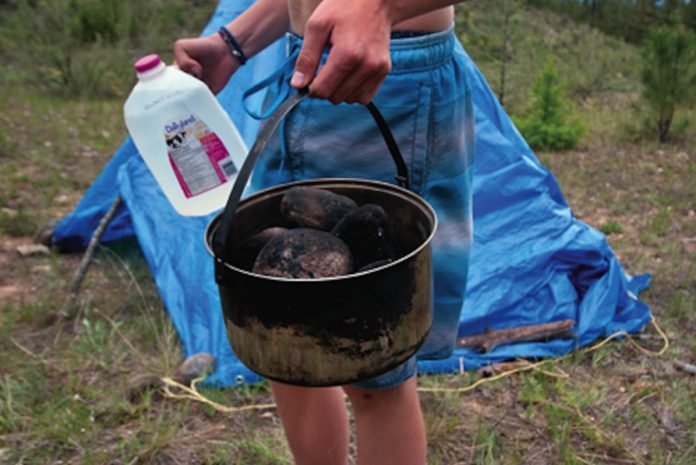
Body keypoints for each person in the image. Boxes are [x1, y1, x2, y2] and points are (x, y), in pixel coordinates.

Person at [174, 1, 474, 464]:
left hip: (386, 73)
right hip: (301, 66)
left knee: (374, 365)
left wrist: (383, 5)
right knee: (284, 337)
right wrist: (235, 44)